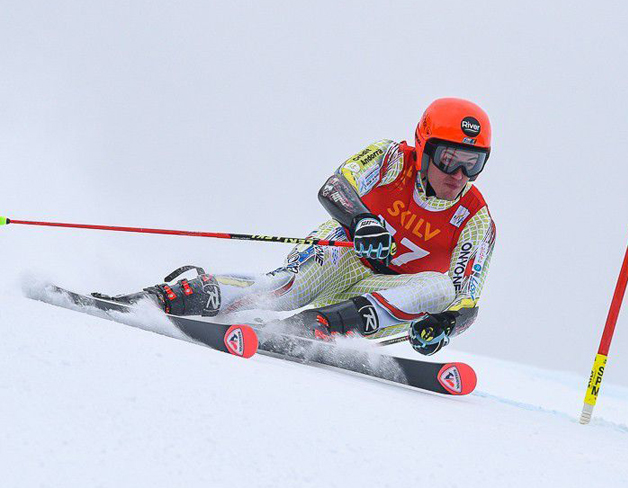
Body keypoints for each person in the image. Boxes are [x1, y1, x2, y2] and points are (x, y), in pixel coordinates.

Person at [102, 98, 496, 356]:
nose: (458, 175)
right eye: (448, 159)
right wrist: (360, 222)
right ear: (424, 146)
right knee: (283, 290)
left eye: (473, 163)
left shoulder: (476, 219)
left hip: (380, 298)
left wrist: (445, 324)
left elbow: (467, 300)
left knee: (442, 288)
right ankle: (171, 297)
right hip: (345, 257)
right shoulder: (391, 158)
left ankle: (315, 327)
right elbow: (335, 187)